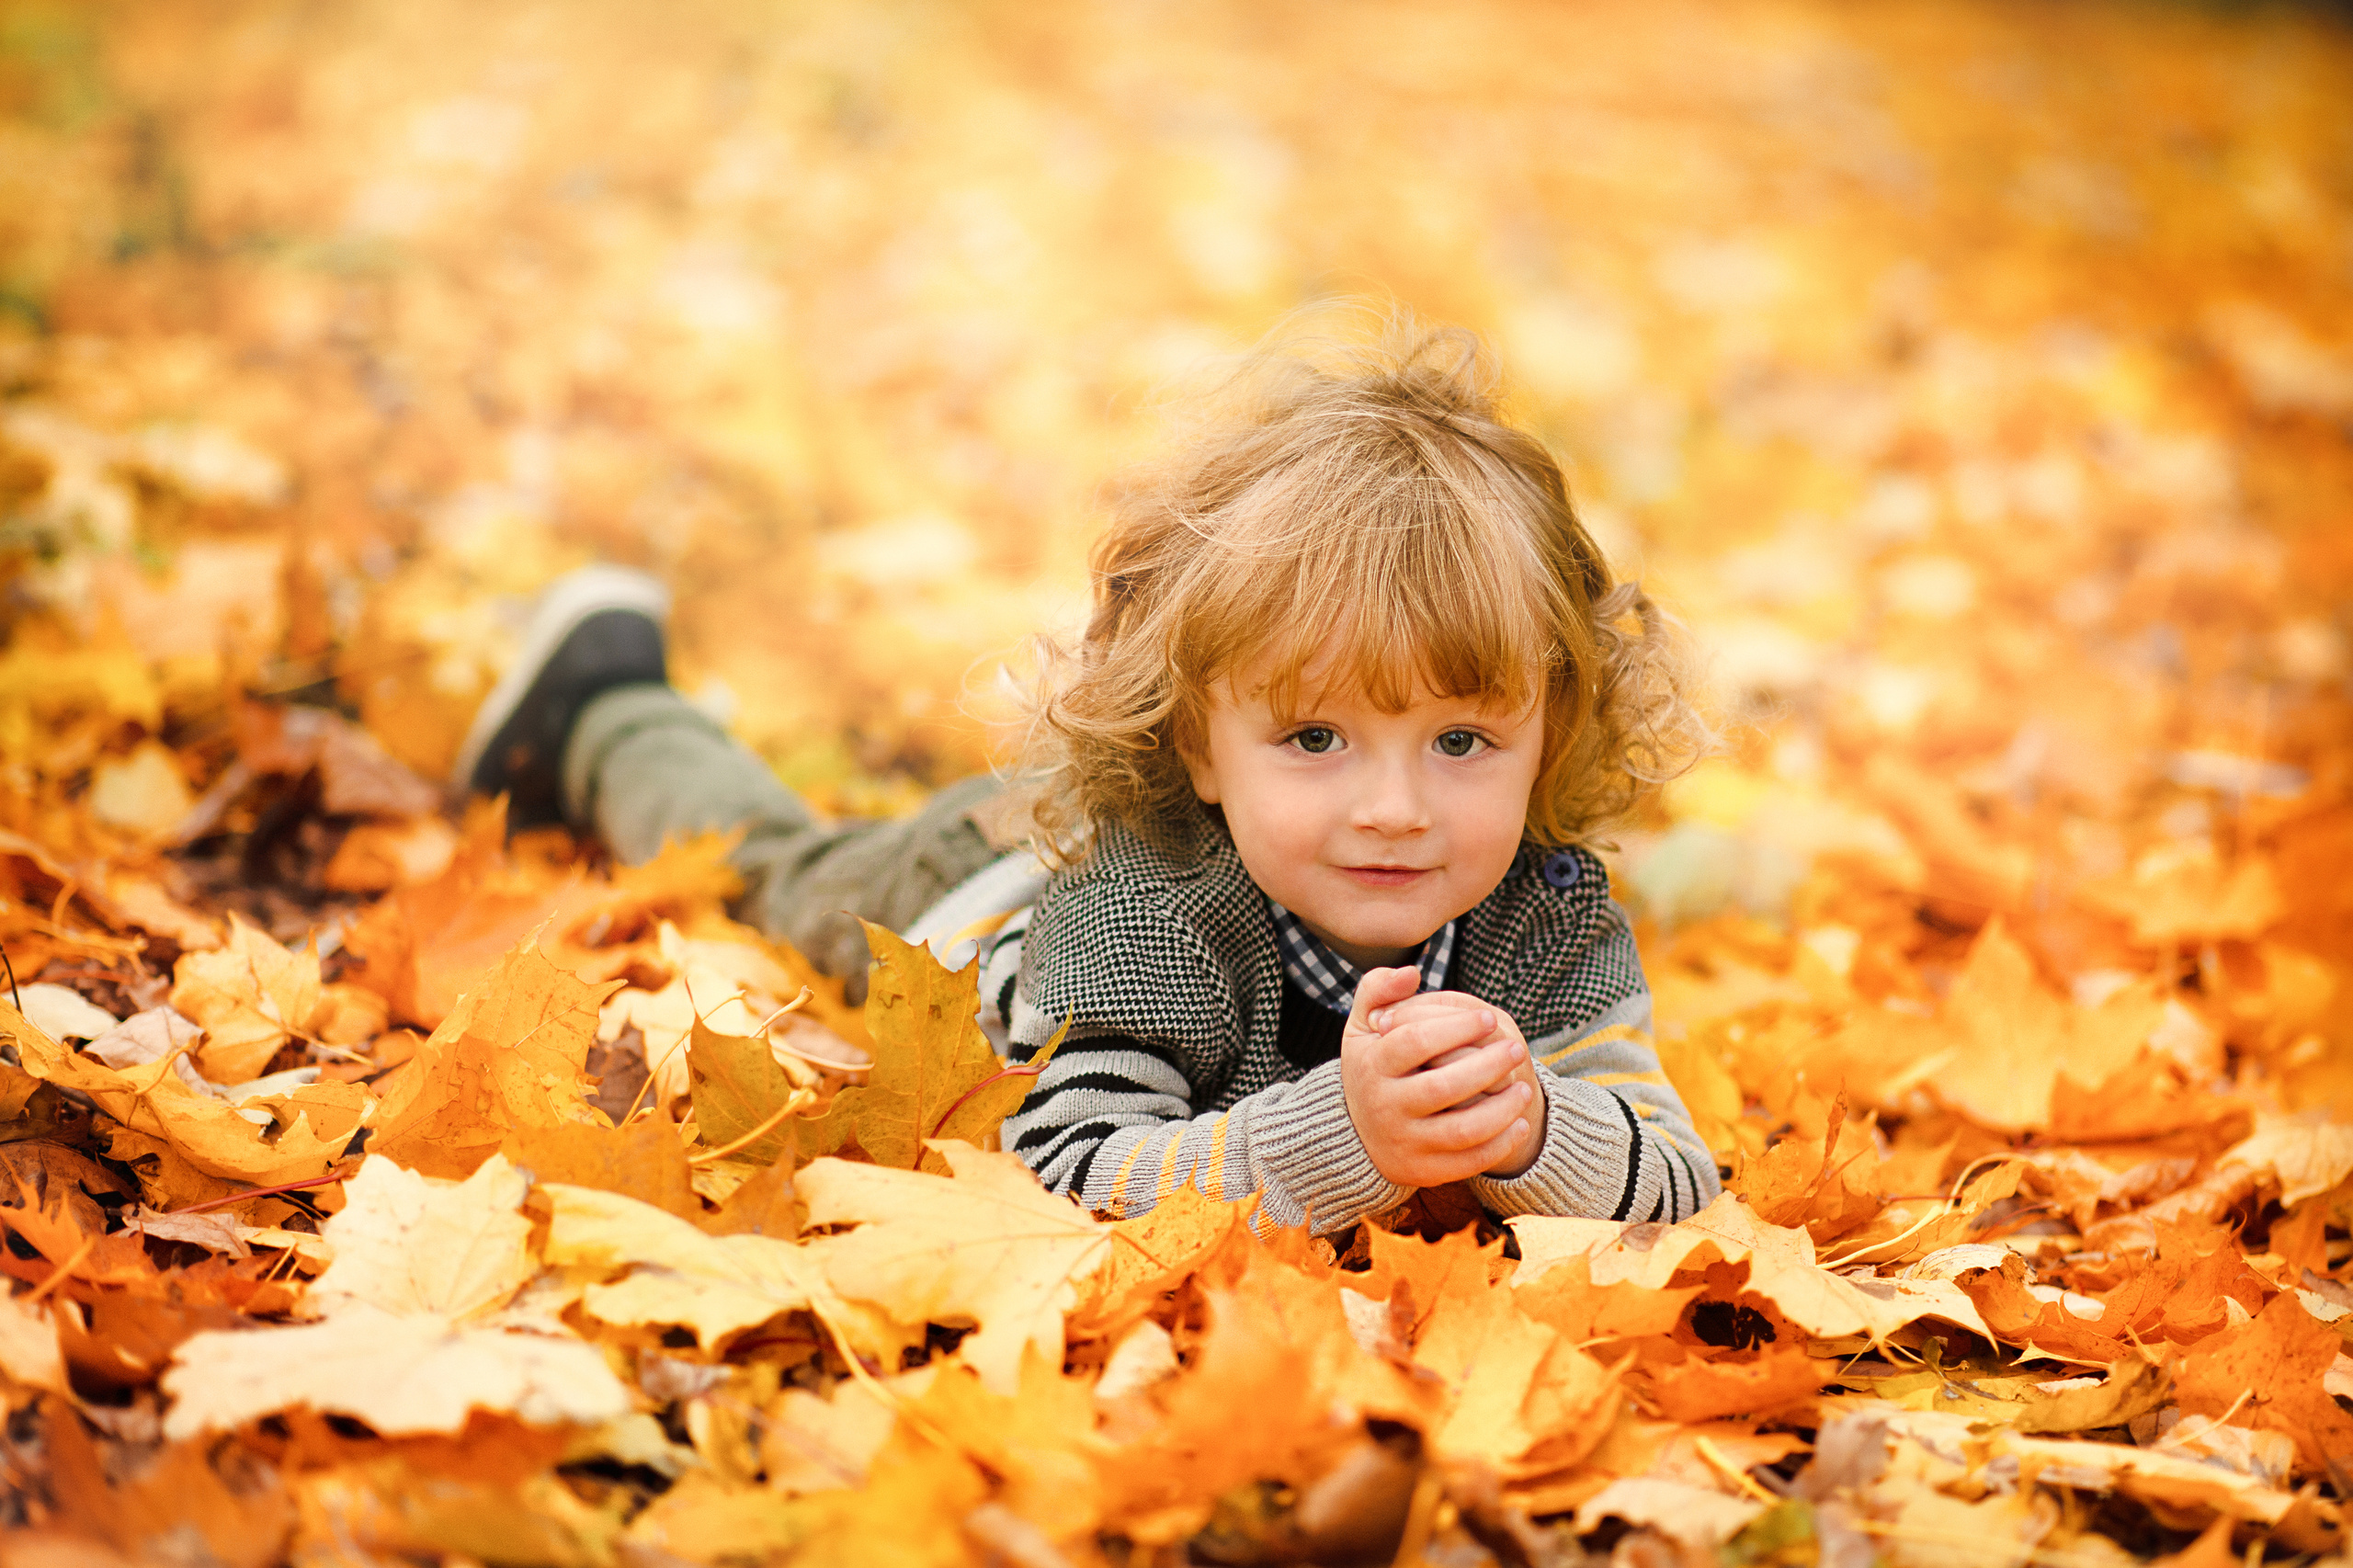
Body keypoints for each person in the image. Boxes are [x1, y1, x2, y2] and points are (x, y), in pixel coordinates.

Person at [453, 316, 1720, 1233]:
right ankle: (606, 706)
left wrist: (1541, 1127)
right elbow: (1067, 1164)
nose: (1394, 807)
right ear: (1196, 742)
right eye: (1315, 739)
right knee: (779, 868)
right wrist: (1351, 1134)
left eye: (1460, 742)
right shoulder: (1142, 915)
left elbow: (1680, 1181)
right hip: (980, 894)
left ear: (1548, 730)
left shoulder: (1547, 921)